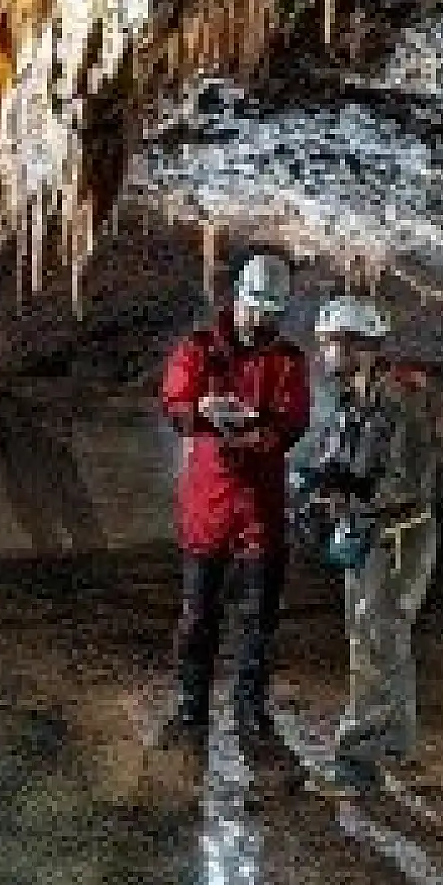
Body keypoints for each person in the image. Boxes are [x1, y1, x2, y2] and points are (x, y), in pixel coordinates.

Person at [158, 252, 311, 763]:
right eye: (253, 309)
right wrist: (201, 409)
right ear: (237, 300)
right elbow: (175, 401)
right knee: (199, 614)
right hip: (209, 503)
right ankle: (191, 705)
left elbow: (292, 422)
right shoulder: (199, 349)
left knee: (259, 617)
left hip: (260, 507)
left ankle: (250, 705)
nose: (259, 320)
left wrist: (256, 435)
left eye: (270, 313)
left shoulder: (288, 360)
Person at [295, 296, 438, 794]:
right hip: (372, 531)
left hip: (398, 535)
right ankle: (395, 743)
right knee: (382, 635)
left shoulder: (402, 400)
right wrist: (319, 478)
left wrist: (351, 501)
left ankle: (358, 764)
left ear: (360, 345)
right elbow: (346, 458)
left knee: (375, 637)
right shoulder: (354, 397)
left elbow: (408, 482)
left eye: (331, 343)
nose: (325, 353)